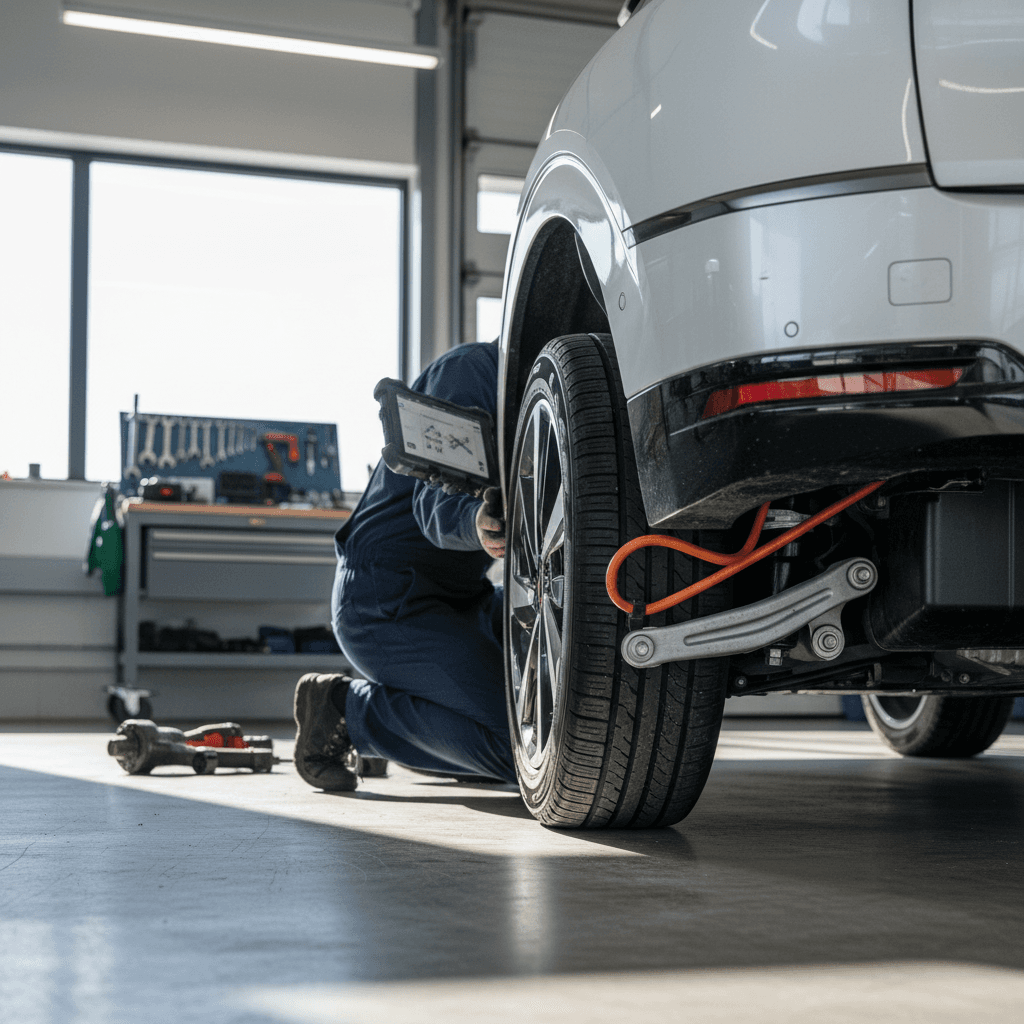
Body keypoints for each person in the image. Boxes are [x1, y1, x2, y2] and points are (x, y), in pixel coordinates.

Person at [292, 339, 514, 792]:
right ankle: (345, 711)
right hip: (386, 602)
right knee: (523, 747)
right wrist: (476, 520)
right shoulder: (472, 373)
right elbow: (433, 501)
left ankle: (434, 738)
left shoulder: (544, 393)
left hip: (464, 599)